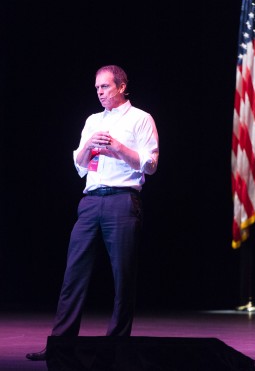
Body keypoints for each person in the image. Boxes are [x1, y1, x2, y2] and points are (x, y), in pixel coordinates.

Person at [26, 64, 159, 361]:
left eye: (105, 87)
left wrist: (118, 147)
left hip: (123, 200)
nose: (100, 93)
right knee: (73, 275)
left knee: (123, 277)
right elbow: (79, 166)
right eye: (97, 88)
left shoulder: (141, 119)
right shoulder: (92, 120)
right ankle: (59, 346)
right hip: (90, 201)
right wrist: (87, 147)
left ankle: (116, 348)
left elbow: (150, 164)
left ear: (121, 87)